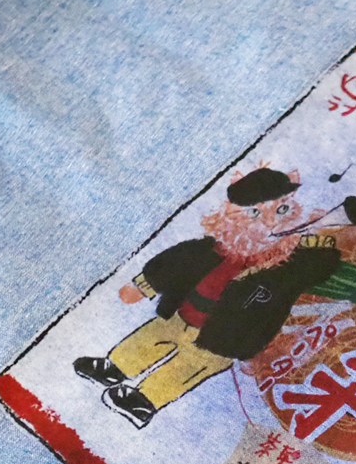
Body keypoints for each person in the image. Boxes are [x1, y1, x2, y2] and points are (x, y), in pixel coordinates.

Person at [73, 167, 341, 427]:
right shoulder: (213, 249)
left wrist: (320, 251)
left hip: (224, 338)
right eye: (255, 213)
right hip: (181, 313)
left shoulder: (288, 267)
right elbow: (178, 262)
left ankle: (143, 401)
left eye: (282, 210)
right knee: (150, 337)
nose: (270, 223)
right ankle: (115, 367)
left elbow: (314, 270)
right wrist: (145, 285)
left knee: (188, 368)